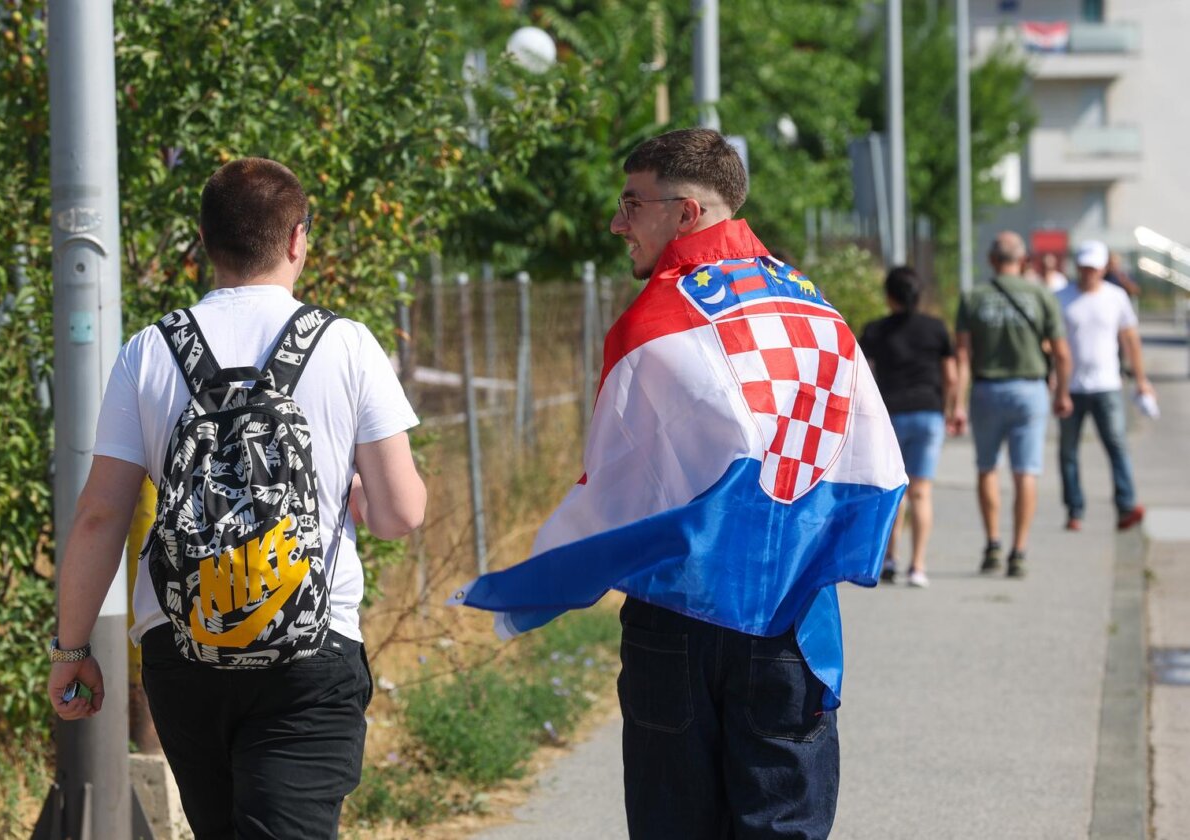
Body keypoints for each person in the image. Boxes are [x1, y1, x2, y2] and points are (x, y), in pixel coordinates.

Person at [452, 128, 905, 839]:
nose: (616, 222)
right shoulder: (822, 314)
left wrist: (539, 578)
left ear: (687, 214)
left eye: (634, 204)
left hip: (678, 620)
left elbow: (613, 488)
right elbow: (870, 460)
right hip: (796, 618)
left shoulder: (655, 320)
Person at [45, 158, 426, 837]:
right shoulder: (347, 344)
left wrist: (72, 652)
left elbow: (100, 514)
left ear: (204, 243)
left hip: (184, 648)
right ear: (297, 240)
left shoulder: (149, 350)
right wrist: (358, 494)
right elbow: (401, 514)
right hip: (311, 648)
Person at [950, 231, 1072, 579]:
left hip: (987, 389)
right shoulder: (1041, 296)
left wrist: (957, 403)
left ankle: (992, 544)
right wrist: (1062, 392)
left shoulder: (973, 296)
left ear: (991, 260)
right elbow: (1061, 353)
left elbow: (962, 355)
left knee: (987, 467)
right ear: (1023, 260)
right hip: (1030, 390)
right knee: (1026, 471)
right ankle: (1019, 550)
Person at [860, 266, 957, 588]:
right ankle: (918, 566)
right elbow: (951, 376)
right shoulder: (936, 328)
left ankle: (889, 559)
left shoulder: (874, 331)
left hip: (890, 417)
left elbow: (864, 377)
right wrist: (952, 408)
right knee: (921, 492)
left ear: (889, 296)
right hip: (928, 414)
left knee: (894, 490)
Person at [1057, 240, 1152, 531]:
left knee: (1117, 446)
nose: (1088, 273)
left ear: (1103, 269)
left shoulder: (1115, 296)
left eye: (1093, 269)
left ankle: (1125, 506)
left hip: (1107, 384)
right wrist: (1055, 382)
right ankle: (1075, 510)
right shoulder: (1060, 297)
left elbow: (1130, 340)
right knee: (1069, 451)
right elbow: (1052, 343)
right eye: (1084, 268)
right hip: (1071, 386)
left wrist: (1141, 380)